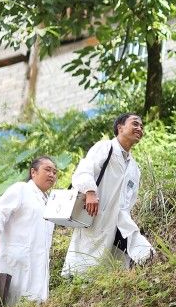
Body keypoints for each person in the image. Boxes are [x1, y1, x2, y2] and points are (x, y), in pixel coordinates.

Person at [61, 113, 154, 276]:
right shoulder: (105, 148)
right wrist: (90, 192)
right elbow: (84, 170)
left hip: (120, 220)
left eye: (141, 126)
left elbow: (129, 199)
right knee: (85, 263)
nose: (139, 128)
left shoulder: (134, 168)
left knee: (144, 253)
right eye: (135, 124)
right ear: (120, 127)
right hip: (95, 216)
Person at [0, 156, 58, 306]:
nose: (52, 175)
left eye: (55, 172)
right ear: (33, 172)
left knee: (31, 303)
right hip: (14, 258)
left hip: (37, 261)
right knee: (8, 300)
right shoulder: (21, 189)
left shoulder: (48, 201)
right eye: (47, 170)